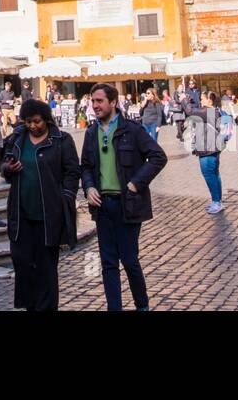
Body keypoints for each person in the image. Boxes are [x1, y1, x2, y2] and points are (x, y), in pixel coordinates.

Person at [79, 83, 167, 311]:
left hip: (127, 204)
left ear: (113, 103)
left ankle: (142, 305)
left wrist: (136, 183)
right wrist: (88, 188)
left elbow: (158, 156)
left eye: (99, 101)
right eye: (93, 101)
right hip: (102, 206)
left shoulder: (132, 130)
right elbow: (86, 166)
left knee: (129, 260)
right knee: (108, 263)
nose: (95, 105)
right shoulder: (91, 132)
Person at [1, 98, 79, 311]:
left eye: (36, 121)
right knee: (23, 264)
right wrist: (8, 169)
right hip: (21, 213)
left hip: (48, 214)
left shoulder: (61, 140)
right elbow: (4, 165)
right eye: (28, 122)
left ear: (46, 119)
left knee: (46, 269)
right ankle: (30, 306)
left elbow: (72, 171)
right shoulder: (18, 138)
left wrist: (67, 195)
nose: (32, 126)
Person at [189, 90, 226, 214]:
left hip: (208, 148)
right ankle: (217, 201)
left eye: (203, 98)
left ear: (210, 100)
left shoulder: (208, 111)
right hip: (213, 146)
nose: (200, 101)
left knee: (209, 174)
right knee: (214, 174)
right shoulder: (215, 110)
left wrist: (184, 99)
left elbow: (190, 112)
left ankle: (217, 202)